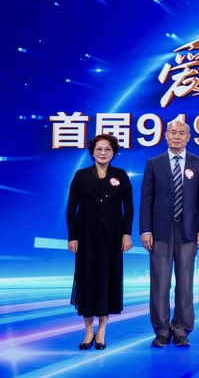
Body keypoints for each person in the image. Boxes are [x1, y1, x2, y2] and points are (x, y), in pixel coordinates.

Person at [140, 120, 199, 348]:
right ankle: (161, 330)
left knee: (185, 283)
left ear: (188, 137)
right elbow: (146, 199)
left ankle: (181, 329)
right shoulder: (154, 163)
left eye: (181, 133)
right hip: (160, 231)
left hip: (188, 230)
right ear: (166, 136)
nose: (177, 136)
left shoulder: (198, 163)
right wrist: (145, 229)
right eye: (173, 132)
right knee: (160, 283)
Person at [66, 134, 133, 351]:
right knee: (86, 279)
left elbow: (129, 207)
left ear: (114, 153)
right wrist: (72, 236)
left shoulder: (120, 175)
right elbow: (72, 207)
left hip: (112, 237)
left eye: (107, 149)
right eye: (99, 149)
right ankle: (88, 331)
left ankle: (102, 330)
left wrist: (126, 233)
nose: (103, 153)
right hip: (85, 236)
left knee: (106, 279)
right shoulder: (81, 175)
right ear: (92, 152)